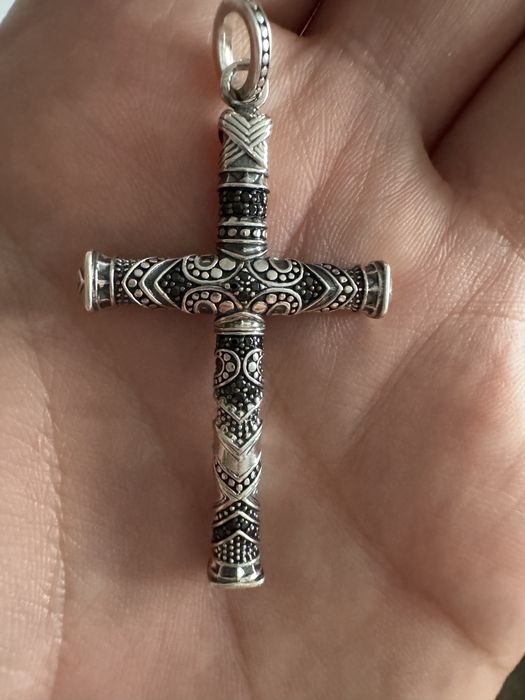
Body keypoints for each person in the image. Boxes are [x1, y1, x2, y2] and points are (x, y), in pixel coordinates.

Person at [0, 1, 524, 698]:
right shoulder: (231, 277)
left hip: (244, 316)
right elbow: (211, 281)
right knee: (239, 415)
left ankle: (237, 547)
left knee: (240, 413)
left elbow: (251, 283)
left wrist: (117, 280)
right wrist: (359, 288)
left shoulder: (245, 278)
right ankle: (234, 547)